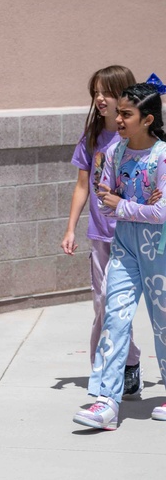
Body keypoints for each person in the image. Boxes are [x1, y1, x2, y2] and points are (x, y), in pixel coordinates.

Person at [73, 82, 166, 430]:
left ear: (147, 119)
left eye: (127, 114)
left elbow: (162, 214)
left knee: (164, 324)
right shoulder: (113, 154)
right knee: (114, 318)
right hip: (124, 247)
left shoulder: (163, 155)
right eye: (119, 113)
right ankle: (106, 401)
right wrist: (140, 205)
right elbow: (104, 204)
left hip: (160, 252)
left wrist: (127, 204)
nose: (119, 119)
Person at [61, 66, 143, 399]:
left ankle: (109, 370)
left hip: (135, 234)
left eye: (106, 92)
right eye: (95, 92)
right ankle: (128, 361)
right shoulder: (92, 138)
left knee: (116, 302)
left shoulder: (138, 137)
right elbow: (82, 186)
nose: (99, 99)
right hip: (100, 234)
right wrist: (70, 228)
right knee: (103, 303)